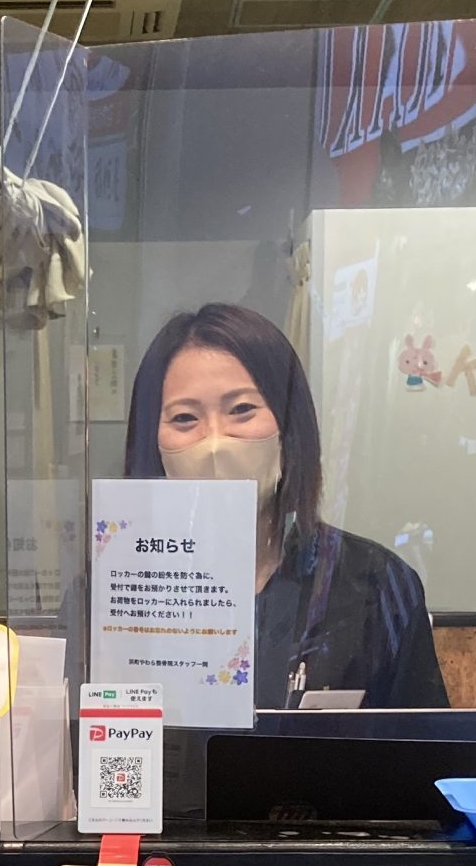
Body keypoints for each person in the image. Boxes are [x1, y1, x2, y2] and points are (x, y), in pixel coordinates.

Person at [124, 303, 444, 709]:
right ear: (151, 440)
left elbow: (425, 744)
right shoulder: (116, 588)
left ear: (290, 425)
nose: (215, 442)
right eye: (185, 418)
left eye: (242, 410)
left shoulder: (376, 584)